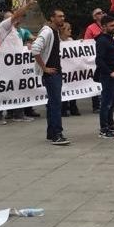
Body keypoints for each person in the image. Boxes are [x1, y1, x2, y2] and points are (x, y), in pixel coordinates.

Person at [31, 9, 69, 146]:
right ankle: (57, 134)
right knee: (55, 104)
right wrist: (45, 68)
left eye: (63, 16)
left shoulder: (54, 32)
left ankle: (51, 132)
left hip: (55, 72)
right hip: (51, 74)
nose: (62, 18)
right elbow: (35, 49)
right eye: (59, 16)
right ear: (52, 18)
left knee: (52, 103)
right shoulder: (47, 31)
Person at [94, 14, 114, 139]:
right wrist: (110, 72)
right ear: (104, 26)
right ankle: (104, 129)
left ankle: (111, 125)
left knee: (112, 101)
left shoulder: (111, 38)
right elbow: (99, 60)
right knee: (106, 102)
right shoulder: (101, 40)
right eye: (112, 26)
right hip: (108, 75)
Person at [59, 21, 80, 117]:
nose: (70, 30)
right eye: (68, 29)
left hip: (71, 69)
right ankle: (63, 108)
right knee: (63, 89)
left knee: (73, 86)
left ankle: (73, 107)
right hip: (62, 69)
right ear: (62, 31)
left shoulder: (71, 40)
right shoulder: (58, 41)